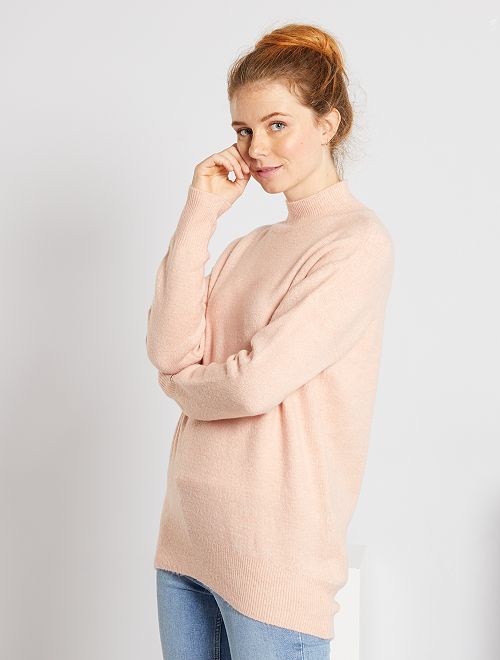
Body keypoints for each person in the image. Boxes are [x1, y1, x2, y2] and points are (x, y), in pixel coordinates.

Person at [146, 22, 395, 660]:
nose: (255, 148)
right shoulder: (245, 246)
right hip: (185, 544)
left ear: (328, 123)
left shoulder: (355, 243)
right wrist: (200, 212)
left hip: (274, 562)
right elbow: (167, 350)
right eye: (243, 130)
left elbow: (250, 385)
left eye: (277, 124)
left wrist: (180, 387)